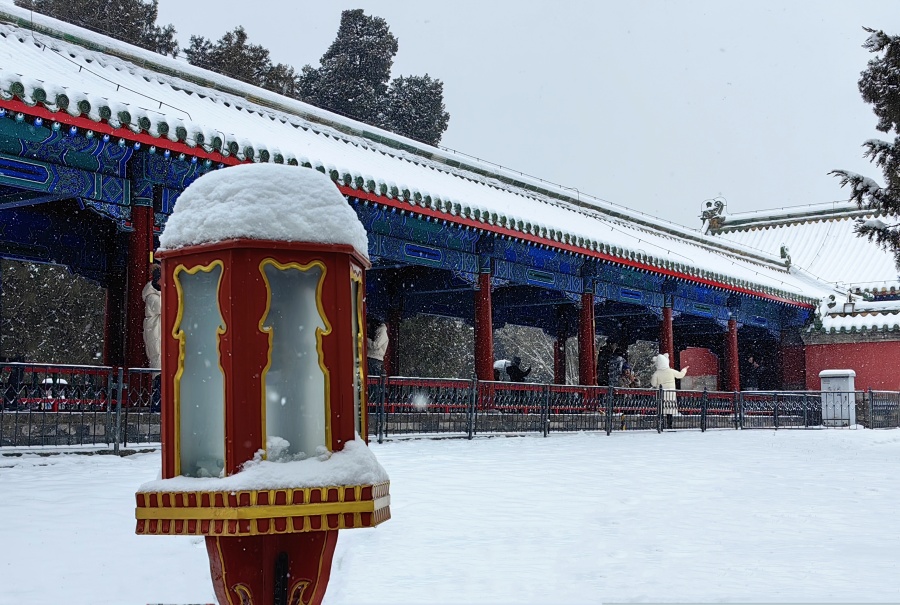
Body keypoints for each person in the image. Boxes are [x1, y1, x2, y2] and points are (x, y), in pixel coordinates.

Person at [650, 353, 689, 429]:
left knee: (661, 410)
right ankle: (669, 425)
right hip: (670, 394)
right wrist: (684, 370)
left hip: (661, 394)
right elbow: (680, 375)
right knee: (669, 410)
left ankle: (661, 425)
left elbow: (653, 384)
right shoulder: (671, 371)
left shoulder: (656, 373)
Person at [142, 262, 162, 412]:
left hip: (160, 338)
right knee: (160, 375)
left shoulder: (157, 294)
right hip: (157, 339)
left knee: (162, 375)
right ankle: (157, 407)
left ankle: (159, 406)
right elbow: (166, 307)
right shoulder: (152, 297)